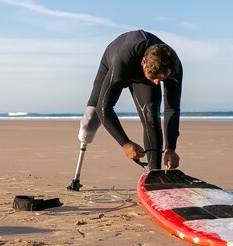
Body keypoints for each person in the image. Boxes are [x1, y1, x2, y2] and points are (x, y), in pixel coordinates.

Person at [78, 29, 183, 171]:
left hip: (143, 78)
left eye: (162, 78)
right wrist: (125, 143)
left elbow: (172, 108)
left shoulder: (174, 67)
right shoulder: (124, 60)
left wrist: (170, 147)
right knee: (89, 121)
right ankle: (82, 151)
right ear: (144, 62)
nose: (158, 83)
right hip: (113, 63)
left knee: (151, 115)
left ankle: (155, 174)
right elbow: (104, 107)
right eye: (154, 77)